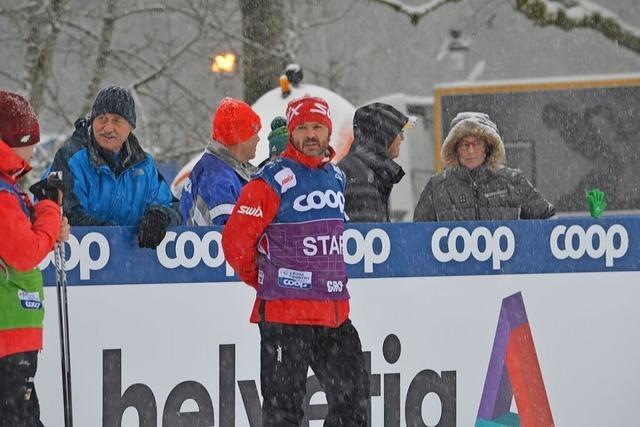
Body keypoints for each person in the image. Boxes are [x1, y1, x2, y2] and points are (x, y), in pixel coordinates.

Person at [222, 95, 369, 426]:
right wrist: (262, 278)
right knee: (282, 415)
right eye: (302, 128)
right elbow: (234, 240)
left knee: (354, 408)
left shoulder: (336, 178)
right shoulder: (272, 179)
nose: (311, 135)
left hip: (333, 316)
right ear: (291, 132)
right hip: (286, 318)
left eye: (317, 126)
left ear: (328, 130)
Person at [0, 90, 70, 426]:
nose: (33, 150)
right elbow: (26, 252)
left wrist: (49, 217)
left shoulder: (10, 188)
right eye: (31, 139)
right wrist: (49, 208)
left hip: (14, 331)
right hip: (8, 332)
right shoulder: (3, 192)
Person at [46, 85, 180, 248]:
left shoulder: (145, 167)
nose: (108, 128)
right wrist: (108, 235)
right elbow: (60, 213)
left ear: (131, 127)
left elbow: (174, 208)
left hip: (135, 268)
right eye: (101, 118)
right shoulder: (70, 159)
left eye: (116, 120)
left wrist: (160, 216)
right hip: (80, 266)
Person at [413, 112, 555, 221]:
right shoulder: (437, 187)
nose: (471, 150)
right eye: (464, 144)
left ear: (488, 148)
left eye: (477, 144)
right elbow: (418, 237)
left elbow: (548, 222)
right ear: (455, 148)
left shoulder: (513, 181)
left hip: (506, 260)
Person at [180, 97, 261, 225]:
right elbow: (231, 238)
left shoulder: (217, 167)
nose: (258, 138)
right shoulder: (219, 180)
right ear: (239, 137)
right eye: (254, 132)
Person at [338, 102, 411, 222]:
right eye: (399, 132)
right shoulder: (359, 175)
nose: (402, 138)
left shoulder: (369, 169)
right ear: (384, 135)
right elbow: (366, 233)